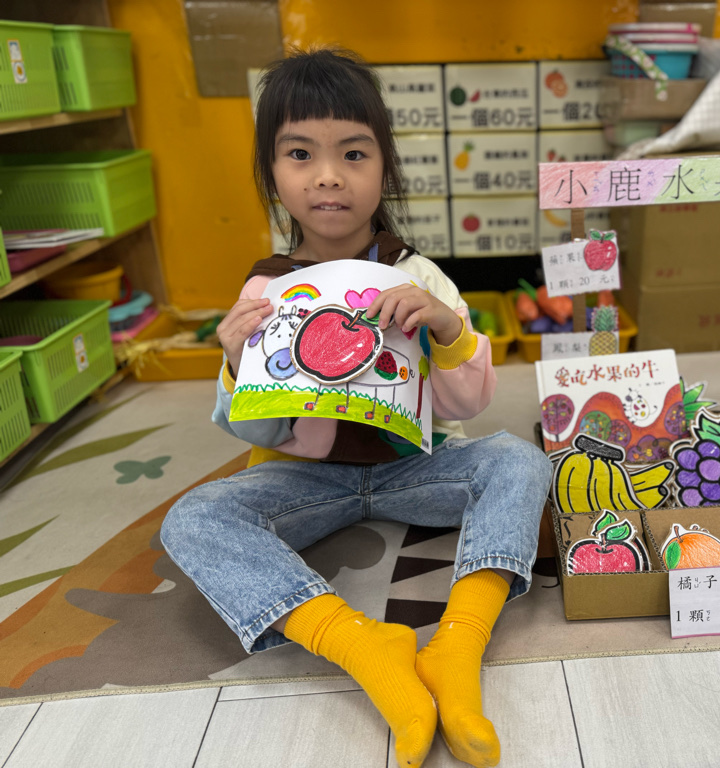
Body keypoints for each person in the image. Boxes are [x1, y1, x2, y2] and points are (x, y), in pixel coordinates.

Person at [160, 48, 552, 768]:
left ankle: (458, 644)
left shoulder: (420, 276)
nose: (328, 176)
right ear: (271, 173)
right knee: (192, 518)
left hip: (416, 464)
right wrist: (237, 364)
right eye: (299, 154)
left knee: (521, 461)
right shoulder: (266, 289)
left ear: (385, 169)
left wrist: (449, 331)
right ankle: (365, 646)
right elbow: (257, 427)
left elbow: (469, 402)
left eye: (353, 153)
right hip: (307, 477)